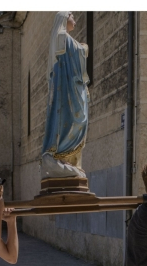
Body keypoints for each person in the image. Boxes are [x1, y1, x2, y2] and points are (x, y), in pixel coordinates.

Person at [41, 11, 90, 179]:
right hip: (68, 90)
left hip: (68, 88)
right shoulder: (62, 36)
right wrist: (84, 48)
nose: (74, 20)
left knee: (75, 120)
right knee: (75, 119)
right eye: (72, 16)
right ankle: (61, 154)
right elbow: (76, 54)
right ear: (64, 18)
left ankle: (64, 157)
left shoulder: (62, 37)